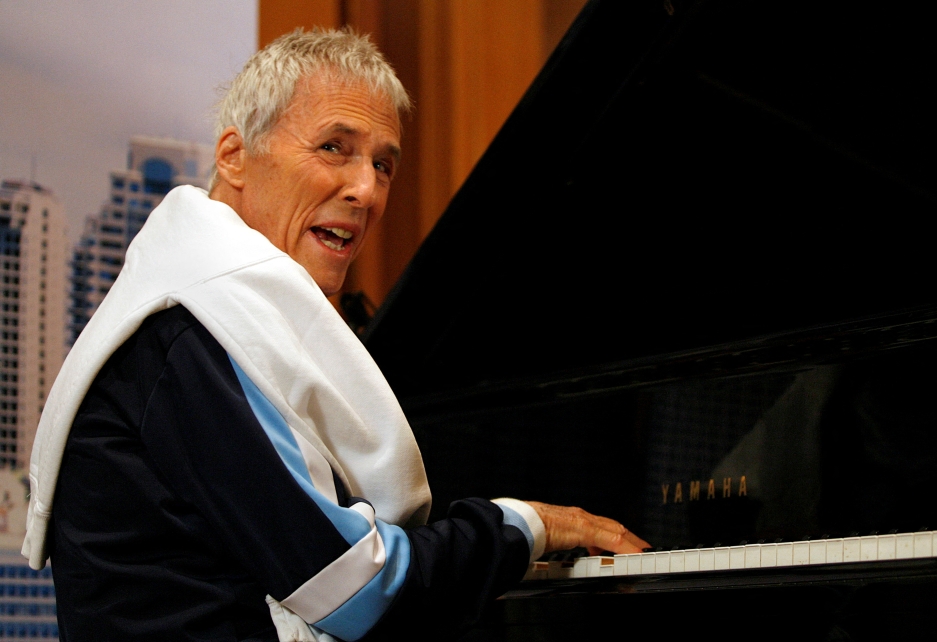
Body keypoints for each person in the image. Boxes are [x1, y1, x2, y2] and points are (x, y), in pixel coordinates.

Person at [22, 28, 648, 642]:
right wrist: (524, 525)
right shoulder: (193, 333)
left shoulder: (195, 313)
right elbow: (357, 593)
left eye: (383, 164)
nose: (367, 190)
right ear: (235, 156)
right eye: (333, 148)